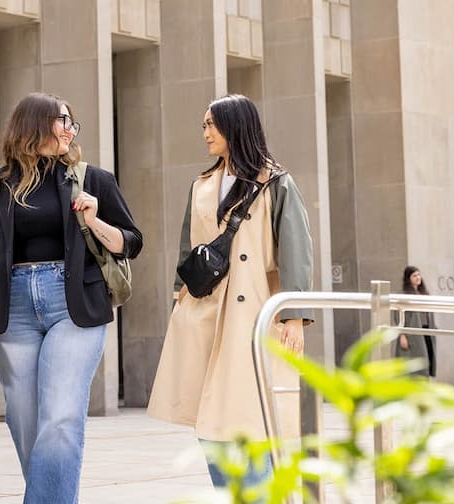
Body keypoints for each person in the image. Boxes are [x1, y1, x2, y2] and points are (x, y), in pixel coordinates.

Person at [0, 92, 142, 504]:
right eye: (63, 120)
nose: (69, 129)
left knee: (60, 418)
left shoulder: (92, 179)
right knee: (24, 421)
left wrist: (95, 220)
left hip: (73, 305)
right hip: (15, 309)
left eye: (71, 122)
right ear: (35, 124)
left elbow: (130, 242)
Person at [147, 94, 314, 489]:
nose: (205, 132)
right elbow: (188, 251)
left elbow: (296, 249)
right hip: (203, 314)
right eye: (204, 124)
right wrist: (180, 303)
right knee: (207, 421)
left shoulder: (277, 183)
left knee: (249, 422)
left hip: (254, 315)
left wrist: (294, 317)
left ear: (235, 126)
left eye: (211, 124)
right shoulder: (202, 185)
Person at [393, 266, 437, 377]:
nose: (418, 277)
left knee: (428, 359)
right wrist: (402, 335)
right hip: (413, 334)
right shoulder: (403, 295)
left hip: (426, 331)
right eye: (414, 275)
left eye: (419, 274)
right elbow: (398, 315)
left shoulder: (424, 294)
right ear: (408, 278)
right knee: (414, 362)